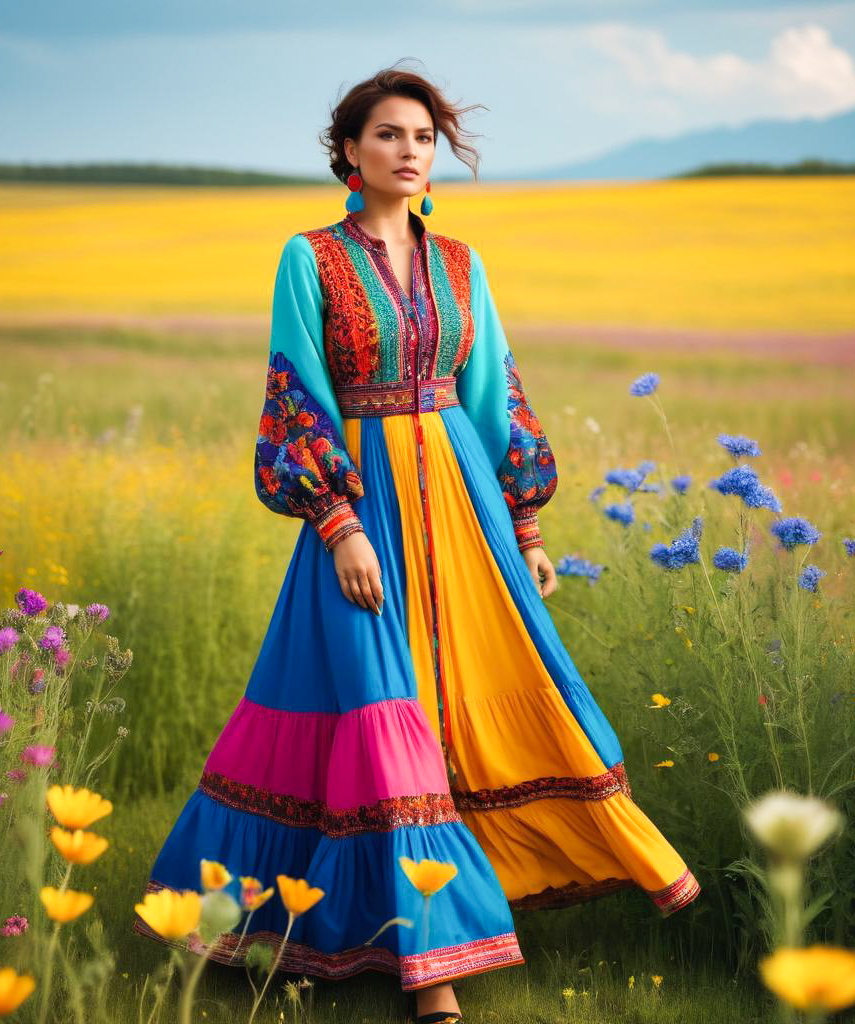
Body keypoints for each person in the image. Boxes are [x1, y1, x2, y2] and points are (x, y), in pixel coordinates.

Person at [135, 64, 699, 1024]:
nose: (410, 151)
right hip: (365, 506)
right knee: (377, 709)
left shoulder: (464, 265)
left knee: (475, 696)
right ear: (349, 152)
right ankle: (426, 970)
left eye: (424, 137)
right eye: (390, 135)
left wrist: (524, 525)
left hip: (463, 502)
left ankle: (472, 906)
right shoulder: (308, 258)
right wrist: (338, 524)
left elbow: (495, 396)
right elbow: (294, 391)